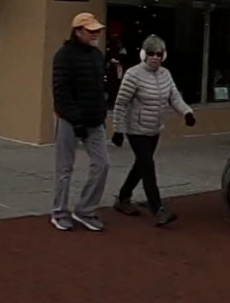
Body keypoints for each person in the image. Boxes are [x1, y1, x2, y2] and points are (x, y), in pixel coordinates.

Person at [44, 14, 118, 231]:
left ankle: (85, 209)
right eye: (90, 31)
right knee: (64, 168)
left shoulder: (97, 55)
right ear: (78, 31)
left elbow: (98, 88)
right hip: (69, 120)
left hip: (94, 120)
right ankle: (59, 211)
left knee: (102, 164)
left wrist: (101, 114)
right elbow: (61, 92)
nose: (95, 35)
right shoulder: (64, 56)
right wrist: (75, 120)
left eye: (97, 31)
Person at [109, 34, 187, 225]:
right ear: (144, 54)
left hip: (154, 128)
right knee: (148, 167)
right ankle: (157, 209)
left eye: (159, 54)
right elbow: (121, 103)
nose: (155, 57)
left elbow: (174, 97)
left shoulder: (165, 74)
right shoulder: (133, 74)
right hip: (136, 129)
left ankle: (123, 197)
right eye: (151, 53)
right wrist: (118, 129)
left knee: (141, 166)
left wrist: (187, 112)